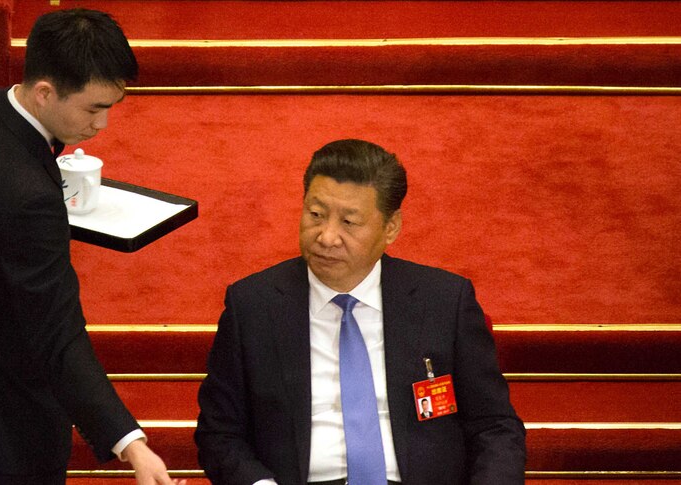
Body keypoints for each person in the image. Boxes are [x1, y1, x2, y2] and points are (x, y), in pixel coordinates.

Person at [0, 9, 181, 485]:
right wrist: (131, 443)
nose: (103, 124)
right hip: (5, 417)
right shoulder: (29, 199)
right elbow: (58, 335)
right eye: (93, 108)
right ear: (45, 91)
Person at [195, 139, 526, 485]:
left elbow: (495, 426)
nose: (326, 236)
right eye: (315, 214)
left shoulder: (444, 301)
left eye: (349, 222)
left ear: (391, 228)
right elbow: (219, 434)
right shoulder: (253, 305)